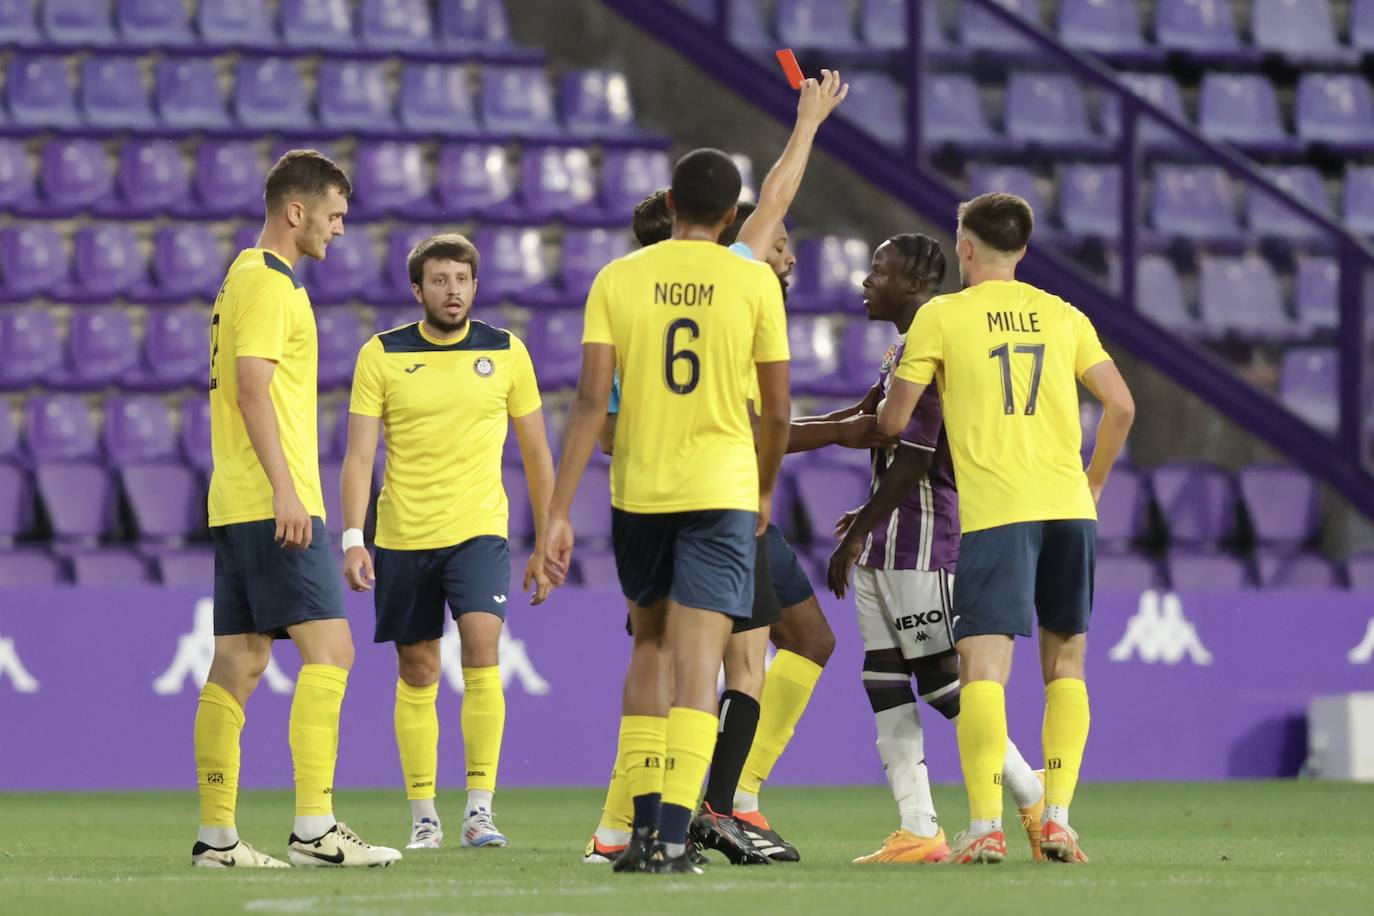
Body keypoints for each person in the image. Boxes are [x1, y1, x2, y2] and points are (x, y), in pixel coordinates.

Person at [544, 147, 790, 875]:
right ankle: (675, 837)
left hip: (639, 493)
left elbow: (591, 401)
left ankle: (640, 831)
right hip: (719, 491)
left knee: (648, 648)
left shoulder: (618, 278)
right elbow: (775, 408)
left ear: (673, 204)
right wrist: (766, 487)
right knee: (700, 664)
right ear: (731, 215)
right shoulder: (751, 282)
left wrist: (558, 512)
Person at [876, 193, 1135, 865]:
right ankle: (1055, 819)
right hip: (1068, 508)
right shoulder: (1065, 314)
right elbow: (1122, 406)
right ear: (1021, 251)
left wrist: (900, 371)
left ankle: (987, 825)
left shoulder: (941, 315)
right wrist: (1095, 481)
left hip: (999, 512)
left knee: (983, 669)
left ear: (965, 248)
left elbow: (893, 424)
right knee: (1066, 664)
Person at [193, 150, 400, 869]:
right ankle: (315, 828)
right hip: (273, 500)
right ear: (296, 210)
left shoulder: (237, 280)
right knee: (333, 651)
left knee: (241, 662)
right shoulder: (273, 285)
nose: (339, 230)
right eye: (335, 215)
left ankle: (218, 837)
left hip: (235, 500)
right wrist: (287, 488)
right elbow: (254, 391)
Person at [826, 235, 1046, 864]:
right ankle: (919, 828)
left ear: (915, 279)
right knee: (884, 681)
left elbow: (919, 454)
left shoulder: (937, 335)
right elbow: (877, 430)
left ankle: (1032, 797)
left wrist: (865, 524)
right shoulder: (902, 344)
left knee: (945, 684)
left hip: (923, 540)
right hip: (889, 542)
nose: (866, 282)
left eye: (878, 271)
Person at [339, 234, 557, 851]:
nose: (452, 290)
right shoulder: (380, 355)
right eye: (439, 280)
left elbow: (537, 451)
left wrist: (547, 536)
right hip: (404, 536)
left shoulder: (506, 351)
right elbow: (359, 458)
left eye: (461, 279)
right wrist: (354, 537)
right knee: (418, 668)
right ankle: (424, 815)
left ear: (475, 286)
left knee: (483, 651)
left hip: (480, 530)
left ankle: (480, 811)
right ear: (418, 290)